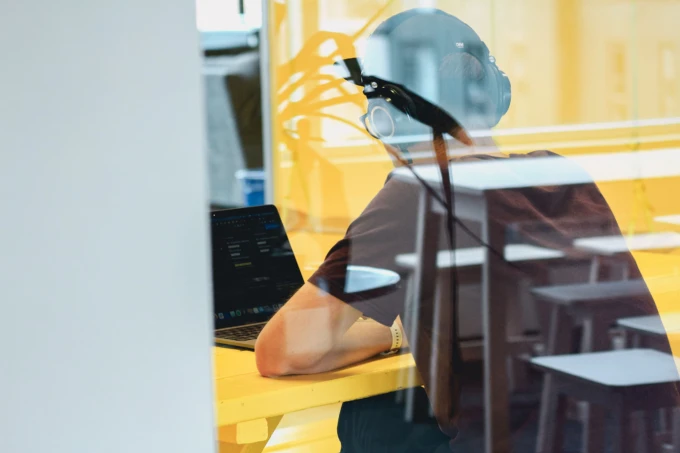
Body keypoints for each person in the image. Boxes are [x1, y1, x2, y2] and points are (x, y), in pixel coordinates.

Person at [255, 8, 677, 452]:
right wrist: (397, 330)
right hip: (651, 441)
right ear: (494, 96)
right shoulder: (562, 175)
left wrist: (383, 333)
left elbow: (280, 352)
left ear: (386, 117)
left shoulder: (418, 195)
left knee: (374, 416)